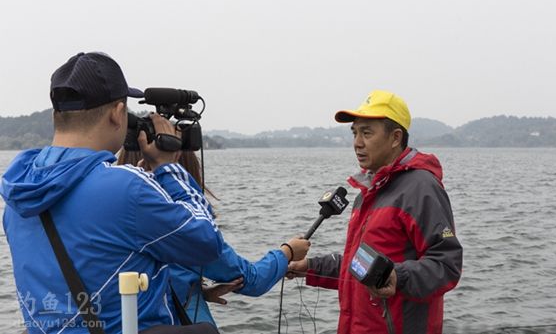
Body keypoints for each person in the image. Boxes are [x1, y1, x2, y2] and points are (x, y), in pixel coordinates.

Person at [1, 52, 227, 334]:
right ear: (118, 114)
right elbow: (207, 243)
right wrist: (168, 169)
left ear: (55, 115)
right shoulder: (127, 187)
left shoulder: (17, 194)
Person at [288, 90, 463, 334]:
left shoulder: (421, 188)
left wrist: (397, 277)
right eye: (355, 133)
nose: (357, 142)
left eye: (367, 133)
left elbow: (447, 265)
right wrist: (309, 267)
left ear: (395, 137)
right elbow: (360, 265)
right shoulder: (369, 191)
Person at [117, 149, 311, 327]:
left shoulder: (109, 213)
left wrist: (196, 290)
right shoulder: (186, 230)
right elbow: (253, 280)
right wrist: (288, 252)